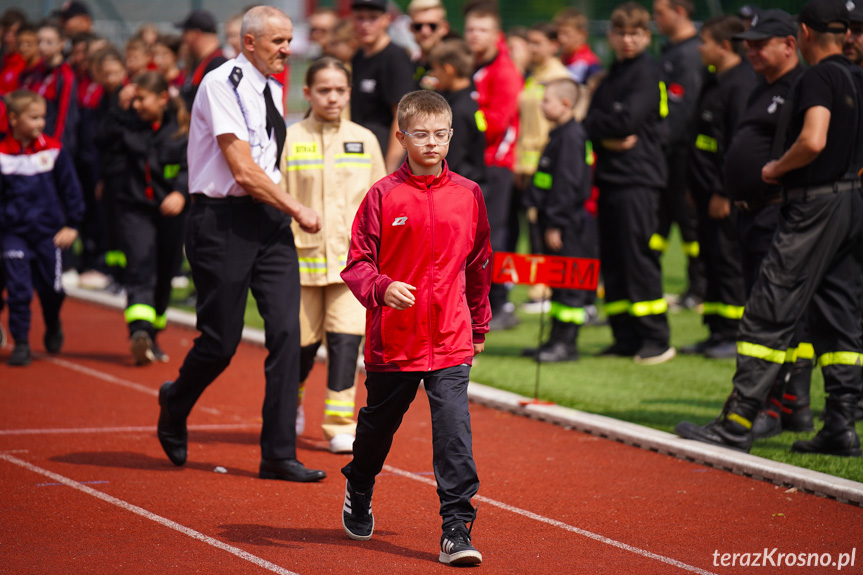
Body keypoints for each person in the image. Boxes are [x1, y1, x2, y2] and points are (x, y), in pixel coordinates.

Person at [676, 0, 863, 457]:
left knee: (768, 309)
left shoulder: (819, 75)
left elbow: (813, 137)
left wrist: (775, 168)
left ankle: (737, 421)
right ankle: (841, 424)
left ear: (801, 34)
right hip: (848, 204)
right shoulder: (856, 78)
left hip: (812, 205)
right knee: (840, 318)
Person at [156, 6, 326, 482]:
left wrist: (284, 208)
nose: (288, 50)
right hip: (222, 221)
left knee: (288, 334)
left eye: (290, 40)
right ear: (249, 42)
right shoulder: (220, 82)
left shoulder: (271, 86)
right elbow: (244, 171)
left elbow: (267, 167)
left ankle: (277, 453)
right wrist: (298, 208)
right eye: (278, 42)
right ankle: (176, 400)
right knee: (221, 342)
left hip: (268, 222)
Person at [339, 89, 491, 566]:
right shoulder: (382, 195)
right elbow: (357, 263)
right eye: (421, 135)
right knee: (377, 430)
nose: (431, 143)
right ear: (402, 136)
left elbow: (480, 263)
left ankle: (456, 528)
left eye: (440, 134)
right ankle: (359, 485)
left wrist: (479, 325)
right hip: (394, 342)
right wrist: (382, 288)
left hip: (450, 339)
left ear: (451, 135)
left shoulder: (469, 194)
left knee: (453, 433)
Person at [284, 57, 385, 453]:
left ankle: (340, 423)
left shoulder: (365, 139)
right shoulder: (291, 139)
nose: (333, 97)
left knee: (346, 343)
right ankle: (289, 406)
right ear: (307, 93)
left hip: (352, 264)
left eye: (340, 90)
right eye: (323, 90)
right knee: (300, 346)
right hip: (299, 261)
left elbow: (380, 201)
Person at [723, 10, 814, 439]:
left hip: (776, 210)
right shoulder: (763, 85)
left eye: (761, 43)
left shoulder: (802, 85)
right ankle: (792, 407)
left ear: (790, 45)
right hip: (751, 214)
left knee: (772, 315)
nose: (751, 49)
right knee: (766, 310)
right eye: (748, 42)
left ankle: (773, 407)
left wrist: (775, 174)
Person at [584, 2, 674, 365]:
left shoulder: (646, 72)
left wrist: (606, 126)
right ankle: (625, 335)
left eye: (635, 33)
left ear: (646, 36)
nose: (627, 40)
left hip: (639, 178)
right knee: (616, 260)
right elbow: (590, 121)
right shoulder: (614, 73)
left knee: (638, 257)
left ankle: (656, 337)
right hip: (611, 177)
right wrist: (606, 132)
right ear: (612, 35)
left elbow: (627, 122)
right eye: (621, 33)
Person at [98, 72, 189, 365]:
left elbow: (195, 166)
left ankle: (153, 335)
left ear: (163, 98)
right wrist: (118, 106)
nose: (137, 104)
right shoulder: (127, 125)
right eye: (133, 98)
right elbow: (99, 140)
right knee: (140, 267)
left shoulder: (181, 130)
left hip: (173, 214)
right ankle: (139, 331)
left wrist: (181, 193)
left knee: (165, 274)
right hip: (134, 209)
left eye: (142, 99)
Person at [682, 15, 755, 359]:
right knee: (710, 259)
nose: (700, 47)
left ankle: (733, 332)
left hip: (721, 194)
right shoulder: (715, 81)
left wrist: (723, 192)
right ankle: (714, 329)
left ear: (725, 46)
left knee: (727, 262)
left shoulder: (741, 83)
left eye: (705, 41)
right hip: (702, 191)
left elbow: (737, 145)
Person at [0, 90, 84, 366]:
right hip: (13, 234)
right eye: (33, 118)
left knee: (52, 288)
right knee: (18, 289)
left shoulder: (53, 149)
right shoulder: (3, 155)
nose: (40, 123)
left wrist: (73, 224)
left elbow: (70, 189)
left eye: (42, 118)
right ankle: (21, 342)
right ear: (13, 119)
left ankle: (52, 321)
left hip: (48, 232)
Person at [522, 78, 592, 362]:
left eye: (547, 100)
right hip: (557, 221)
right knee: (558, 283)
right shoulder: (560, 133)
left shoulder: (572, 136)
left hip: (568, 225)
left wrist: (555, 223)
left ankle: (567, 344)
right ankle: (554, 340)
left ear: (565, 104)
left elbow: (567, 185)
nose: (541, 105)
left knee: (570, 285)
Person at [464, 0, 522, 331]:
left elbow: (496, 123)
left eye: (482, 29)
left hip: (497, 166)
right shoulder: (470, 64)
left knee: (495, 237)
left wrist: (460, 122)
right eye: (471, 28)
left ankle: (502, 303)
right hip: (474, 164)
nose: (475, 35)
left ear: (495, 33)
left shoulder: (504, 71)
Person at [652, 0, 706, 311]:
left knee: (689, 224)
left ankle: (700, 286)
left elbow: (682, 112)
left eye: (660, 12)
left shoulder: (691, 53)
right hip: (665, 156)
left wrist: (657, 141)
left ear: (680, 11)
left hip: (683, 155)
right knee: (659, 224)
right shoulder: (670, 50)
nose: (654, 18)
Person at [515, 22, 571, 313]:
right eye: (529, 43)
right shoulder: (533, 75)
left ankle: (546, 290)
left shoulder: (558, 77)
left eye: (537, 43)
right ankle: (537, 287)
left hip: (545, 160)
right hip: (526, 161)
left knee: (545, 224)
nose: (532, 48)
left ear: (553, 44)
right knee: (531, 226)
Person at [350, 0, 415, 173]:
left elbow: (402, 118)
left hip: (383, 157)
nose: (365, 24)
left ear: (386, 20)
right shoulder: (358, 57)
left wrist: (390, 168)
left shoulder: (395, 58)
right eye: (360, 18)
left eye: (373, 18)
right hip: (361, 156)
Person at [427, 39, 487, 186]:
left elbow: (451, 157)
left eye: (436, 69)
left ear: (448, 69)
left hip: (459, 185)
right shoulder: (471, 99)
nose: (435, 75)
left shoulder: (458, 110)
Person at [21, 22, 78, 154]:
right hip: (31, 141)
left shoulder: (65, 74)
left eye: (49, 42)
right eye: (40, 41)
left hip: (51, 143)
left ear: (61, 43)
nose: (42, 47)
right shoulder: (36, 70)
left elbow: (65, 115)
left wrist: (56, 146)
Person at [176, 10, 227, 112]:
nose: (183, 39)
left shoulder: (217, 63)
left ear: (195, 34)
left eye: (185, 33)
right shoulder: (202, 61)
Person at [407, 0, 450, 89]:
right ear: (411, 28)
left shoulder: (453, 66)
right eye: (418, 26)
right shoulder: (411, 65)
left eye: (432, 25)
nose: (425, 32)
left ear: (444, 28)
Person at [554, 8, 602, 85]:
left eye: (565, 33)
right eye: (558, 33)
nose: (560, 38)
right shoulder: (560, 59)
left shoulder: (590, 65)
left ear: (582, 34)